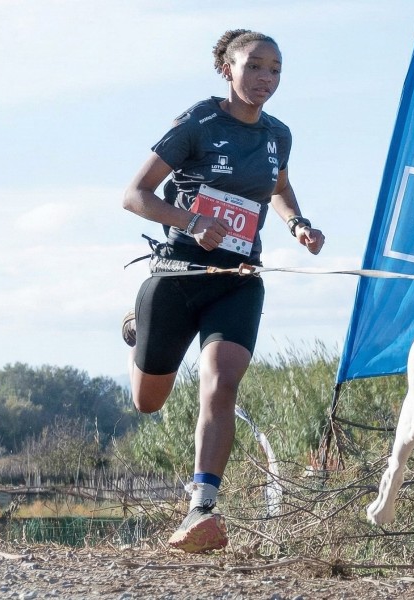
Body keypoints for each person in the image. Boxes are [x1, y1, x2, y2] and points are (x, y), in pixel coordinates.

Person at [121, 29, 325, 553]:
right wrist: (191, 221)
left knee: (223, 381)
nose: (265, 79)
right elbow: (135, 195)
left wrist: (297, 223)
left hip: (238, 279)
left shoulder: (279, 134)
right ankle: (137, 325)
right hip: (179, 273)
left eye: (275, 70)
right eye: (254, 66)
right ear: (227, 69)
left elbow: (277, 186)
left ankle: (202, 507)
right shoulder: (197, 123)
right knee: (148, 403)